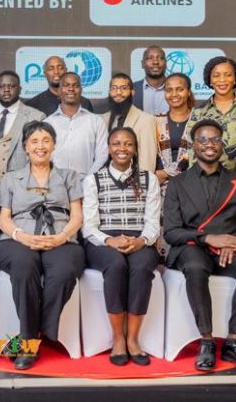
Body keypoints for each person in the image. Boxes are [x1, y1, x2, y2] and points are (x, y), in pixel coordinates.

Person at [163, 119, 236, 372]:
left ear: (223, 145)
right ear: (193, 146)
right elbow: (172, 232)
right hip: (192, 247)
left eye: (215, 140)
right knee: (195, 266)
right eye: (203, 140)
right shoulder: (177, 183)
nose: (209, 145)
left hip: (230, 248)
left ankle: (233, 341)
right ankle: (206, 340)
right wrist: (207, 238)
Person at [0, 121, 85, 370]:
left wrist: (61, 237)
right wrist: (21, 236)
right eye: (34, 141)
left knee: (64, 272)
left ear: (54, 145)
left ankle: (28, 338)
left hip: (62, 238)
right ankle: (32, 338)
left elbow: (77, 215)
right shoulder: (11, 178)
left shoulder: (69, 176)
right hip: (17, 239)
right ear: (25, 147)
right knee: (24, 266)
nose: (40, 146)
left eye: (46, 140)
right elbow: (3, 218)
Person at [81, 127, 161, 366]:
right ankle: (118, 338)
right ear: (109, 148)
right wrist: (109, 240)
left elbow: (153, 223)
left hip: (139, 239)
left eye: (128, 144)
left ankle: (133, 339)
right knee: (115, 265)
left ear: (135, 149)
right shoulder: (94, 180)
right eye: (116, 144)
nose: (122, 149)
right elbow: (89, 225)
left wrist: (141, 241)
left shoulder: (149, 179)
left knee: (143, 266)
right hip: (102, 241)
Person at [186, 56, 236, 171]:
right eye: (216, 75)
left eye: (228, 75)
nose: (222, 80)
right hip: (205, 183)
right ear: (210, 80)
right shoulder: (199, 111)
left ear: (235, 79)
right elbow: (191, 148)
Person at [0, 70, 46, 185]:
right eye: (2, 86)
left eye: (12, 86)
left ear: (20, 89)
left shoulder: (36, 117)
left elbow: (41, 156)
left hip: (21, 186)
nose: (6, 89)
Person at [43, 72, 108, 175]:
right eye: (66, 85)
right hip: (54, 184)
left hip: (86, 185)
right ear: (59, 91)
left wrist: (88, 179)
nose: (71, 89)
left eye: (76, 85)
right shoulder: (47, 124)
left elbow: (103, 155)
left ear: (81, 90)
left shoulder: (96, 121)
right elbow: (42, 156)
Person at [102, 73, 158, 173]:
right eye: (114, 88)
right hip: (105, 181)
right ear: (109, 92)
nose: (118, 92)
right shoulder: (101, 120)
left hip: (134, 182)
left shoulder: (146, 120)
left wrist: (142, 184)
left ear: (132, 92)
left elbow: (147, 160)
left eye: (124, 88)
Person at [154, 73, 196, 185]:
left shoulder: (200, 120)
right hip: (160, 187)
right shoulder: (155, 121)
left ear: (188, 92)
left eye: (179, 89)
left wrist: (165, 173)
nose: (174, 94)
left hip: (192, 183)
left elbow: (199, 153)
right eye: (169, 90)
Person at [25, 55, 94, 115]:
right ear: (45, 73)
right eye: (51, 68)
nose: (56, 72)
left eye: (60, 68)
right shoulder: (33, 104)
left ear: (65, 71)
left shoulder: (84, 103)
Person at [132, 46, 170, 116]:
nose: (155, 62)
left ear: (166, 63)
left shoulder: (177, 90)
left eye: (160, 58)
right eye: (150, 58)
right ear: (142, 64)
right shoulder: (131, 89)